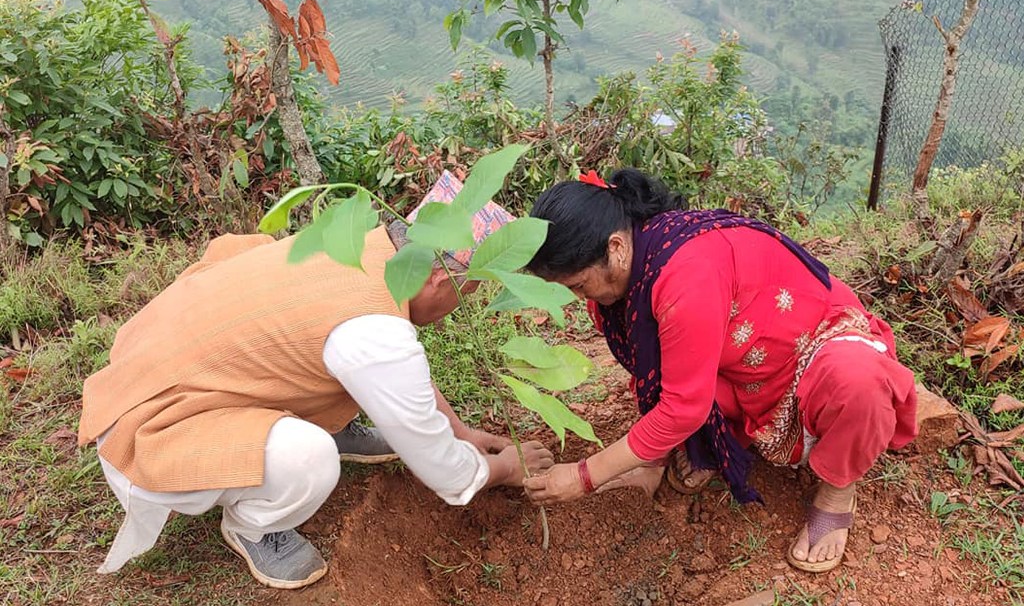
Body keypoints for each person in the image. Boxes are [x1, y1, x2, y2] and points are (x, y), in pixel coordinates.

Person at [77, 171, 553, 590]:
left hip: (161, 362)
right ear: (439, 281)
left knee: (318, 356)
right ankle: (255, 526)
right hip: (152, 422)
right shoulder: (374, 334)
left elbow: (389, 372)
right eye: (465, 293)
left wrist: (461, 433)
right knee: (311, 460)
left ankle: (322, 425)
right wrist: (506, 469)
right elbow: (448, 476)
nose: (458, 311)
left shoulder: (357, 247)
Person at [521, 168, 917, 573]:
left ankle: (837, 489)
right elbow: (653, 370)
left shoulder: (683, 277)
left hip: (813, 349)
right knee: (676, 375)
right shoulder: (626, 276)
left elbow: (680, 407)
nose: (576, 298)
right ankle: (701, 443)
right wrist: (649, 457)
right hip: (743, 362)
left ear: (617, 247)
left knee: (858, 385)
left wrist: (583, 476)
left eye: (578, 285)